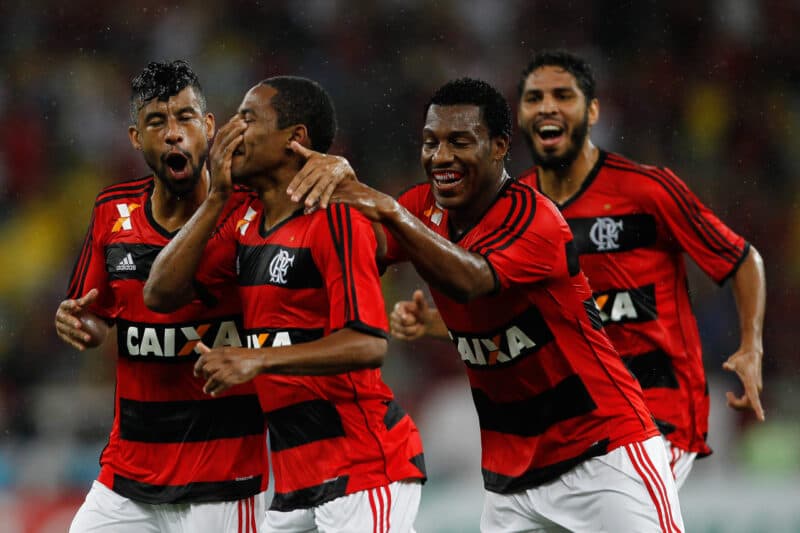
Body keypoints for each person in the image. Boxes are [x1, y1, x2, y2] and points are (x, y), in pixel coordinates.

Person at [291, 78, 684, 532]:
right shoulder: (423, 209)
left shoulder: (535, 219)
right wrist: (305, 203)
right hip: (510, 481)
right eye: (430, 142)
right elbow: (357, 252)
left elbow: (473, 279)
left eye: (460, 142)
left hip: (604, 455)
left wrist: (387, 209)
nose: (440, 157)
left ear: (499, 146)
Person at [397, 49, 767, 490]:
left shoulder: (647, 191)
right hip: (575, 421)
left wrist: (751, 344)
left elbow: (741, 258)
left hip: (658, 411)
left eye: (563, 95)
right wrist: (436, 324)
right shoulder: (513, 208)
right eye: (534, 98)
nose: (548, 107)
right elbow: (519, 315)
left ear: (592, 110)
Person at [143, 76, 426, 532]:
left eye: (249, 118)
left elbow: (368, 344)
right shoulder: (244, 223)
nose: (231, 130)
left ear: (295, 139)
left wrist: (257, 360)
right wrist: (216, 196)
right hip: (295, 483)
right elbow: (159, 294)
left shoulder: (335, 219)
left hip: (364, 467)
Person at [54, 60, 268, 532]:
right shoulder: (112, 211)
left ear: (208, 127)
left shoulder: (252, 212)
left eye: (185, 117)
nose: (173, 133)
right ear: (136, 137)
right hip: (127, 479)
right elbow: (97, 316)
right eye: (157, 121)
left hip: (226, 481)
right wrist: (77, 324)